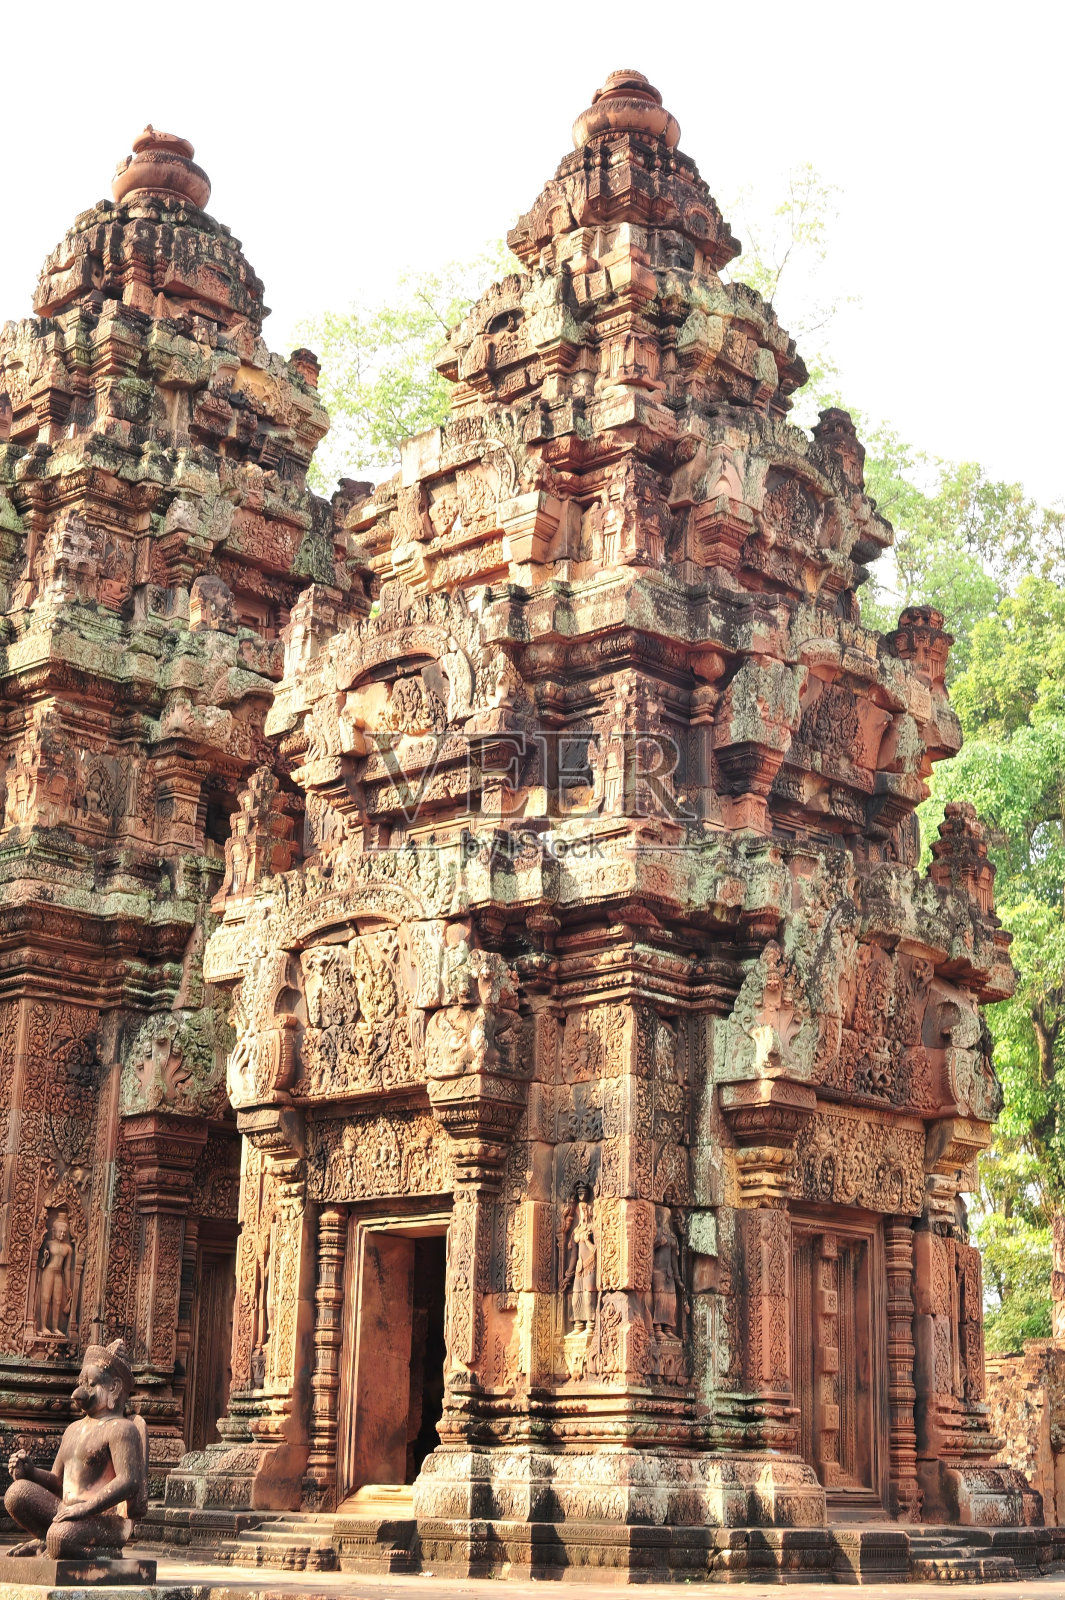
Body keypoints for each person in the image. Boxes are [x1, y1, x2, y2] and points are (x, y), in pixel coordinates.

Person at [5, 1339, 148, 1559]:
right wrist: (29, 1472)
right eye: (81, 1382)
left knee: (60, 1537)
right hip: (68, 1512)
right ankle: (46, 1540)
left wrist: (86, 1508)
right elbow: (57, 1481)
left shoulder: (122, 1429)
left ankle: (92, 1550)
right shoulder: (73, 1429)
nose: (79, 1391)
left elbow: (129, 1482)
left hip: (104, 1520)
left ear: (114, 1387)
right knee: (16, 1493)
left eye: (91, 1384)